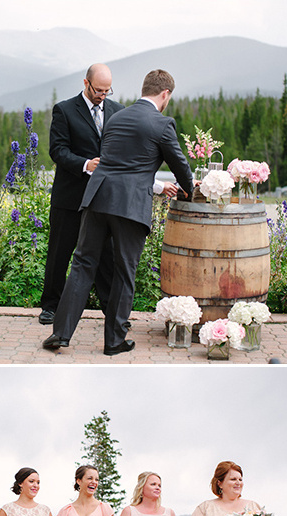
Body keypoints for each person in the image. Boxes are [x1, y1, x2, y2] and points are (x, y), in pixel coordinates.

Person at [43, 68, 194, 356]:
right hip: (129, 206)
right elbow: (180, 165)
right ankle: (114, 341)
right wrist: (190, 188)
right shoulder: (163, 124)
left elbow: (114, 160)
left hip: (97, 198)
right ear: (165, 94)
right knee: (125, 272)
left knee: (82, 267)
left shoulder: (116, 118)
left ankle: (60, 334)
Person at [38, 63, 124, 326]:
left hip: (103, 198)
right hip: (70, 196)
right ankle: (50, 307)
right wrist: (86, 165)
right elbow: (58, 151)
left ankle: (111, 312)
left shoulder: (117, 111)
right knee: (59, 253)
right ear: (85, 83)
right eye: (98, 90)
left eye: (107, 91)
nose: (102, 95)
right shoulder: (64, 110)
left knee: (106, 256)